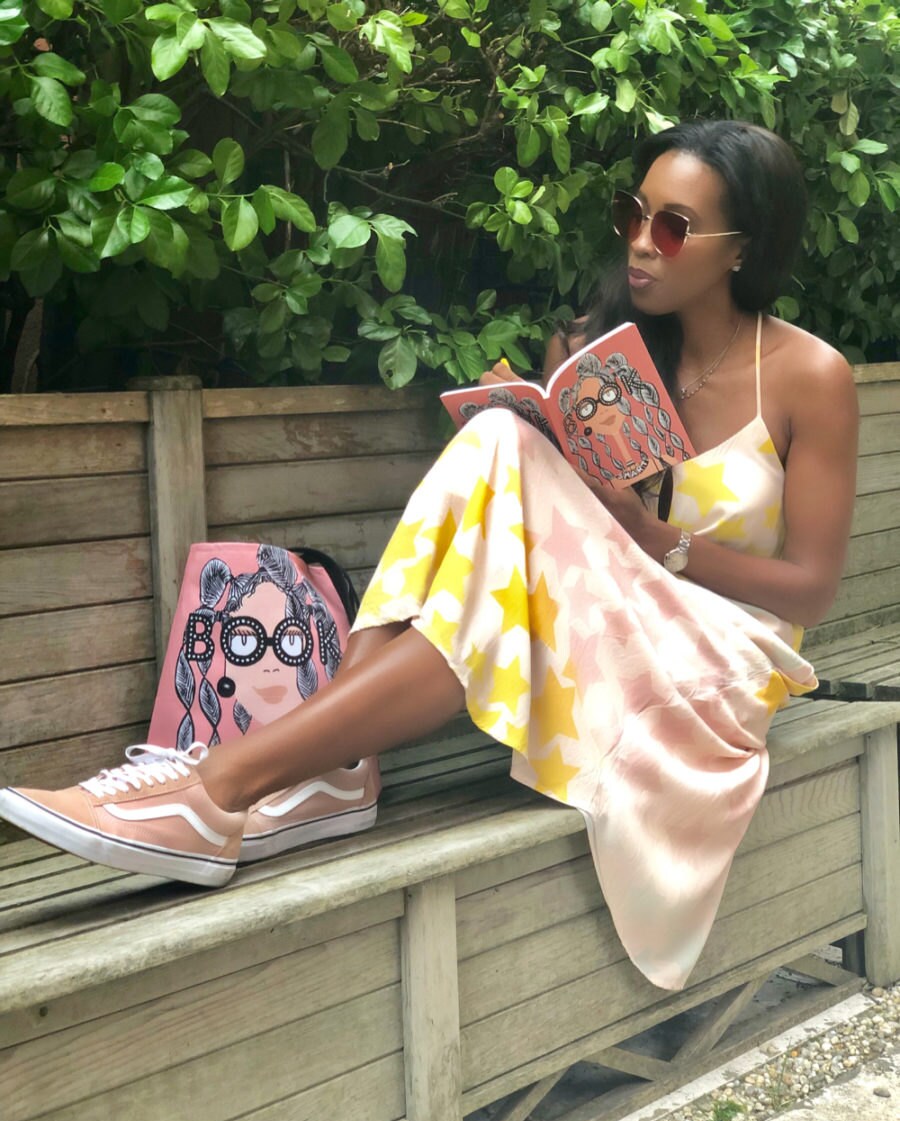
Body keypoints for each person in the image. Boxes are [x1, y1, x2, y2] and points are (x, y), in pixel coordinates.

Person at [0, 120, 858, 991]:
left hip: (721, 654)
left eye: (672, 227)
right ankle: (307, 770)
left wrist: (652, 537)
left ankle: (233, 780)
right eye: (631, 213)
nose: (640, 242)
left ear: (741, 249)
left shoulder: (809, 376)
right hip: (591, 609)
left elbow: (810, 591)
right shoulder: (593, 351)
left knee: (501, 537)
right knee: (497, 439)